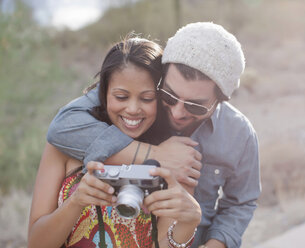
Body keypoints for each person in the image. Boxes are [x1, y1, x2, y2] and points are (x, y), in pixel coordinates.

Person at [47, 22, 261, 248]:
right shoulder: (141, 97)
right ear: (162, 75)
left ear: (220, 100)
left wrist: (217, 244)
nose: (178, 113)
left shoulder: (240, 135)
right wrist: (155, 154)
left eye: (195, 106)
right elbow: (63, 126)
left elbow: (241, 202)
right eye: (168, 95)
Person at [28, 36, 201, 248]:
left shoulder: (174, 159)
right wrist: (76, 201)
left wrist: (190, 221)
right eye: (121, 97)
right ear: (104, 93)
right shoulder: (65, 146)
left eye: (147, 98)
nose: (133, 109)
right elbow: (36, 243)